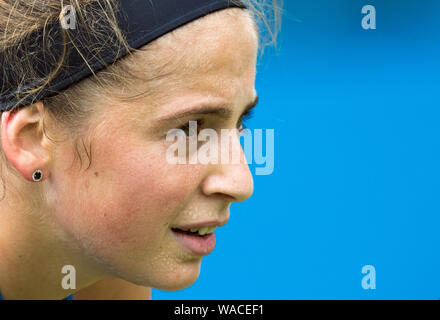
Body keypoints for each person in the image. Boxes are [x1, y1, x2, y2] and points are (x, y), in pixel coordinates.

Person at [0, 0, 281, 299]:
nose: (241, 183)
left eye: (240, 123)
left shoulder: (102, 267)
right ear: (31, 139)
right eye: (190, 129)